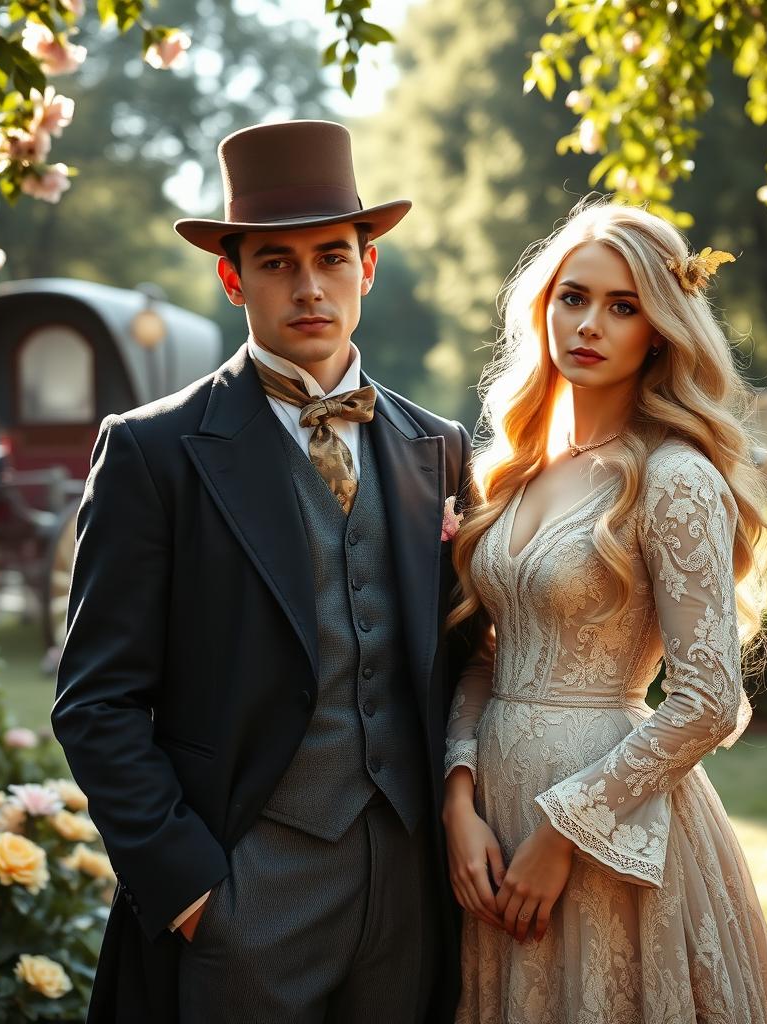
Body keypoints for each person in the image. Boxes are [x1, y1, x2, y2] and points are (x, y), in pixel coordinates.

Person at [53, 120, 472, 1024]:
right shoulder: (152, 452)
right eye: (277, 263)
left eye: (331, 255)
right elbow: (95, 701)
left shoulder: (436, 446)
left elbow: (460, 662)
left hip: (407, 883)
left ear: (368, 267)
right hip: (246, 882)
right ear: (233, 276)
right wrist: (192, 890)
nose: (310, 285)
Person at [442, 198, 767, 1022]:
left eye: (622, 305)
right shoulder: (516, 472)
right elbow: (486, 659)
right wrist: (458, 800)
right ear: (544, 309)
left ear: (661, 330)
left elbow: (709, 701)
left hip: (612, 832)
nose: (590, 324)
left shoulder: (674, 477)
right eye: (574, 298)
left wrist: (563, 832)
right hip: (491, 826)